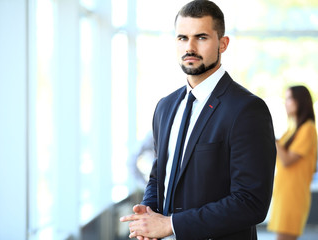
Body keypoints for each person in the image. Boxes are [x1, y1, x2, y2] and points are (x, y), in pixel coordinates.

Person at [120, 0, 276, 239]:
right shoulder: (165, 106)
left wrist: (171, 224)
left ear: (222, 44)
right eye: (182, 38)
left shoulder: (247, 109)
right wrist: (149, 210)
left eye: (201, 37)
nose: (189, 47)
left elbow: (251, 202)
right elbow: (158, 174)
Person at [267, 86, 317, 240]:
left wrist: (272, 137)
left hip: (293, 195)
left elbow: (287, 160)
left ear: (300, 102)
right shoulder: (292, 130)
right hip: (284, 194)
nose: (285, 103)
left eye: (289, 99)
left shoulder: (308, 129)